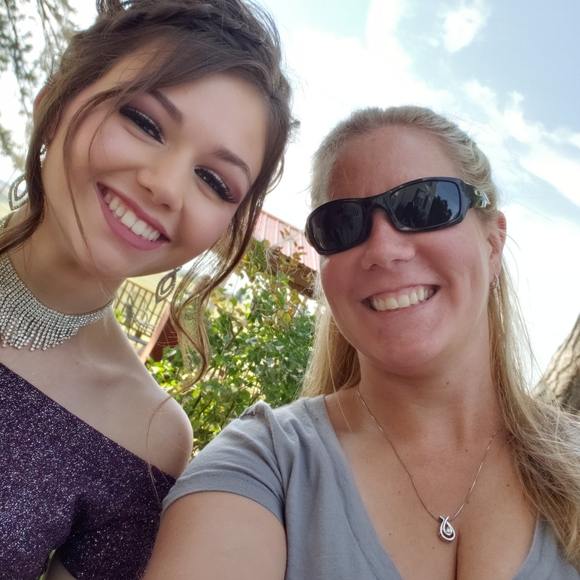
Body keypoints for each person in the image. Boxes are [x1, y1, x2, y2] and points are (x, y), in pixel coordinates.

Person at [144, 105, 580, 579]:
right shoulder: (264, 464)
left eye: (424, 206)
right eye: (342, 224)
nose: (383, 249)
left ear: (492, 244)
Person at [0, 0, 293, 577]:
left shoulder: (145, 435)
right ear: (55, 99)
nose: (165, 186)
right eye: (144, 122)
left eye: (214, 181)